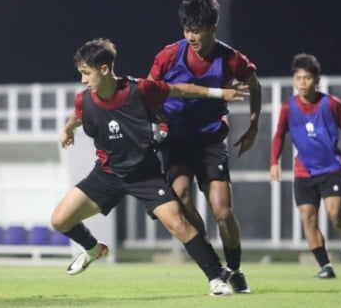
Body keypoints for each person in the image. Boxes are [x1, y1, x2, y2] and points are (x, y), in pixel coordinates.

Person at [50, 38, 249, 296]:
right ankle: (92, 249)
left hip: (144, 175)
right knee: (60, 220)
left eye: (86, 73)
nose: (83, 80)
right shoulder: (84, 100)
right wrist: (67, 130)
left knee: (178, 223)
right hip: (108, 174)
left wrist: (219, 93)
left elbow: (179, 89)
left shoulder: (140, 90)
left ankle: (216, 278)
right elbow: (79, 115)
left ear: (105, 69)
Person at [147, 0, 261, 293]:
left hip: (210, 139)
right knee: (181, 196)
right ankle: (213, 263)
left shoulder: (231, 58)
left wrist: (253, 128)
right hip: (176, 139)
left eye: (196, 30)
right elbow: (150, 90)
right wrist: (156, 117)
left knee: (222, 211)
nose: (191, 35)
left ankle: (235, 269)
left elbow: (254, 84)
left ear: (213, 28)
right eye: (187, 30)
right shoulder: (169, 55)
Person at [270, 53, 341, 279]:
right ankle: (325, 267)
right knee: (308, 217)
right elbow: (279, 135)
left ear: (317, 80)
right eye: (298, 78)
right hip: (304, 172)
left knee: (335, 215)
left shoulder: (330, 104)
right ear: (293, 80)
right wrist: (274, 162)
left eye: (307, 78)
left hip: (330, 169)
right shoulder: (288, 107)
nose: (302, 83)